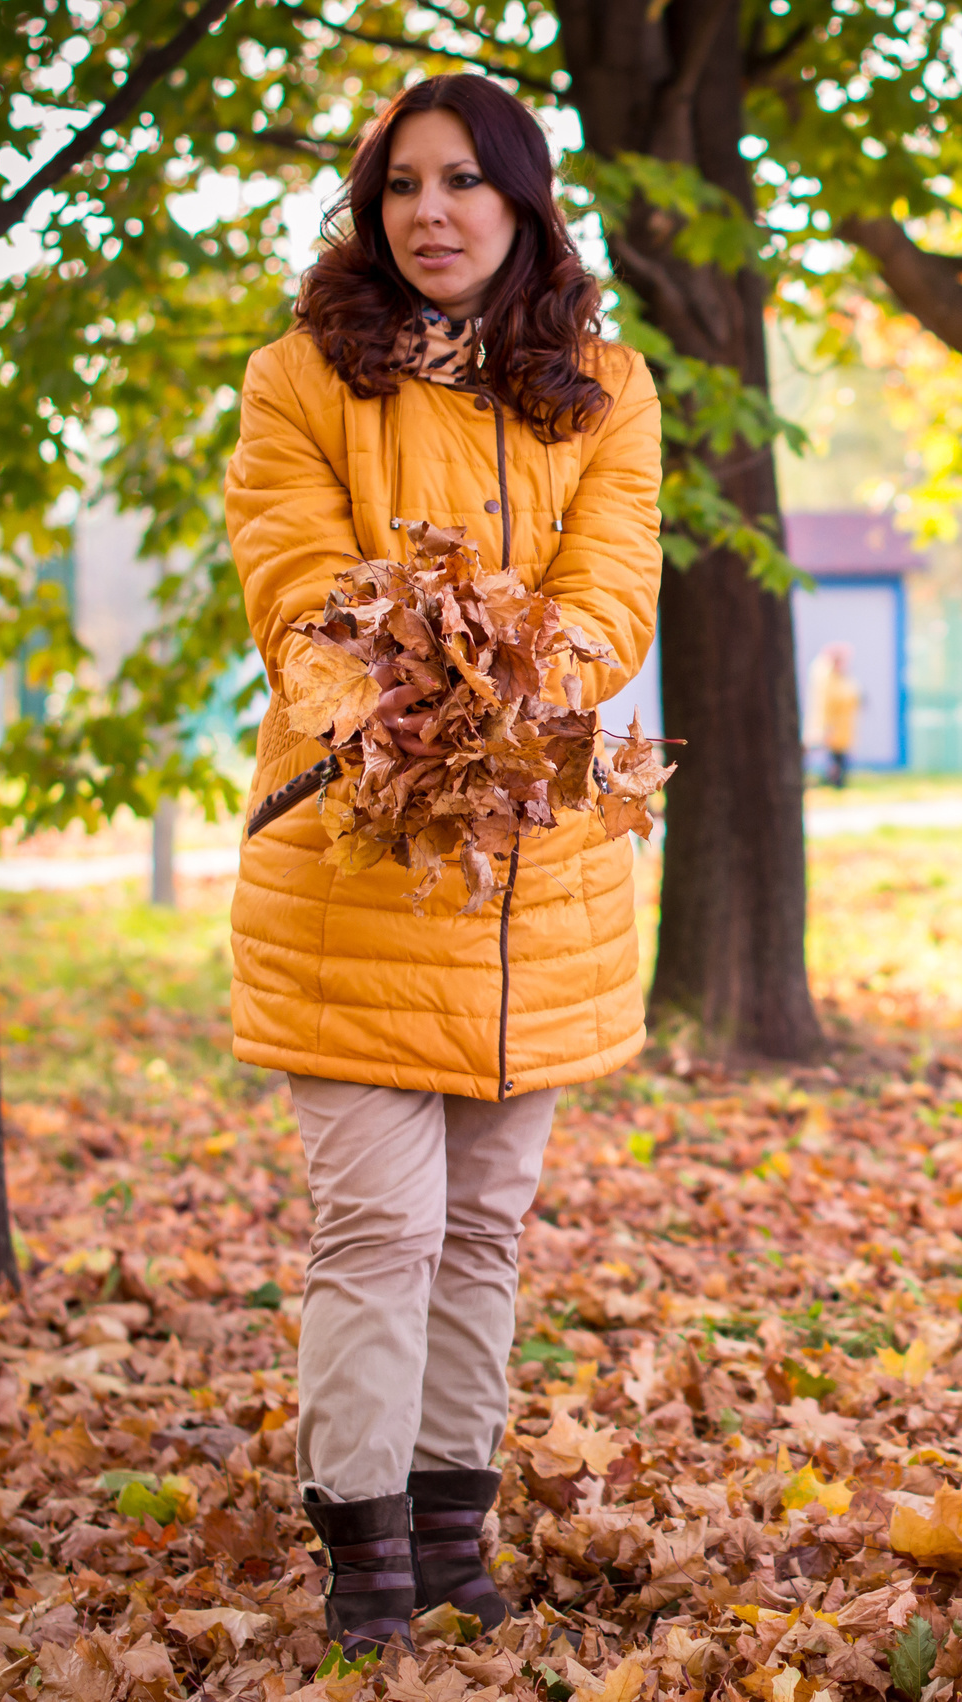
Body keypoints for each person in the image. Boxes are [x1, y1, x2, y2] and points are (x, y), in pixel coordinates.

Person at [224, 74, 662, 1657]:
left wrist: (520, 685)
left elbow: (612, 594)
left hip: (529, 877)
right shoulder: (299, 382)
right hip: (351, 866)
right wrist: (387, 693)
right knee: (377, 1229)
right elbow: (292, 588)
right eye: (403, 183)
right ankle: (366, 1564)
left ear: (523, 202)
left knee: (484, 1230)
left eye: (465, 181)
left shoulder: (605, 392)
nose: (432, 212)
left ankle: (454, 1530)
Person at [810, 641, 862, 788]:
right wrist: (827, 727)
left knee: (840, 759)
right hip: (833, 728)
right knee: (833, 759)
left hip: (844, 729)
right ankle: (830, 782)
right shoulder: (828, 680)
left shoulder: (844, 679)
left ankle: (834, 782)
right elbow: (827, 705)